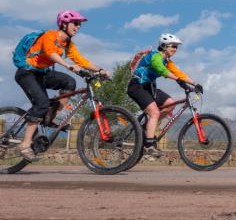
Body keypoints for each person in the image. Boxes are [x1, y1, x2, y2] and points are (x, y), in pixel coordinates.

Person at [14, 10, 111, 162]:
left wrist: (100, 70)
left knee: (69, 82)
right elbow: (50, 53)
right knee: (41, 103)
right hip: (27, 73)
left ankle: (49, 117)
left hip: (42, 74)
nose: (78, 27)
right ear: (64, 24)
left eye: (79, 24)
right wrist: (68, 65)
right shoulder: (50, 36)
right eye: (76, 23)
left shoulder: (68, 44)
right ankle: (25, 145)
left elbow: (81, 60)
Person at [127, 33, 201, 158]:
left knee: (170, 104)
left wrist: (195, 83)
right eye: (173, 46)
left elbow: (178, 73)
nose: (175, 49)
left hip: (150, 87)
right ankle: (149, 146)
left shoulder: (167, 61)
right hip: (137, 86)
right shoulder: (155, 56)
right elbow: (161, 69)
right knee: (154, 113)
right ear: (164, 46)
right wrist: (177, 80)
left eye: (177, 47)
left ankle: (146, 128)